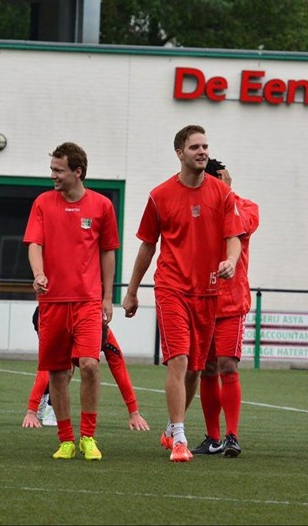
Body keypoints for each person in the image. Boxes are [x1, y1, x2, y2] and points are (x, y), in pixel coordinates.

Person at [122, 125, 244, 462]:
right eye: (194, 147)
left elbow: (234, 237)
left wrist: (231, 261)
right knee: (179, 359)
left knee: (195, 369)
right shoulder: (160, 195)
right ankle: (179, 437)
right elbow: (148, 246)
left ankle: (171, 427)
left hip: (208, 292)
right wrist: (132, 292)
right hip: (171, 287)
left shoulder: (222, 193)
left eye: (205, 146)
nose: (202, 151)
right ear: (179, 153)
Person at [23, 141, 120, 460]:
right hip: (52, 302)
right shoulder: (42, 203)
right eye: (52, 169)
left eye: (58, 170)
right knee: (57, 371)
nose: (53, 175)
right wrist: (39, 274)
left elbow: (108, 252)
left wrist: (107, 297)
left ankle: (88, 437)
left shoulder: (102, 206)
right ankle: (66, 439)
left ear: (78, 172)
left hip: (88, 302)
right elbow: (34, 244)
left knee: (90, 365)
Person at [192, 158, 259, 458]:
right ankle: (213, 437)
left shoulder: (246, 206)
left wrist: (226, 193)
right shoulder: (197, 207)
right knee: (206, 368)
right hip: (202, 299)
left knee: (227, 365)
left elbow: (242, 227)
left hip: (231, 301)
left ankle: (232, 435)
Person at [22, 308, 150, 431]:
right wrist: (31, 411)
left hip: (71, 318)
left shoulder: (107, 339)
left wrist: (134, 413)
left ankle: (50, 403)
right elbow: (46, 369)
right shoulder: (71, 333)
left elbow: (120, 372)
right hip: (49, 315)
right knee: (62, 367)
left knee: (73, 367)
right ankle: (49, 406)